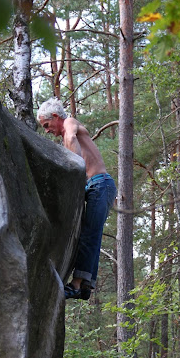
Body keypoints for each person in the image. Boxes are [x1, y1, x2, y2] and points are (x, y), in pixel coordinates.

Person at [37, 98, 116, 300]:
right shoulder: (63, 138)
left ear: (55, 117)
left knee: (90, 234)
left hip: (101, 184)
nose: (47, 130)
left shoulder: (70, 122)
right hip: (92, 187)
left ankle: (77, 284)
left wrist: (77, 171)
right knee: (84, 234)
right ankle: (86, 286)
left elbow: (72, 138)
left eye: (46, 125)